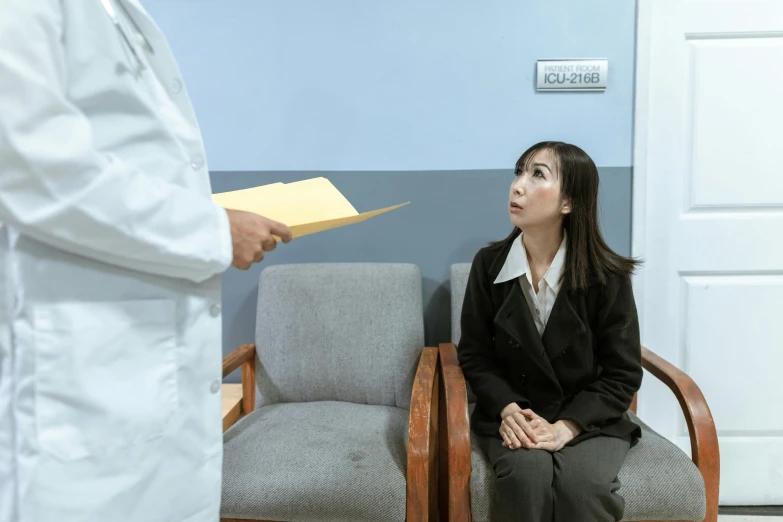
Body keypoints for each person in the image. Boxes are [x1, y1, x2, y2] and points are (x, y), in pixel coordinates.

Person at [0, 1, 292, 521]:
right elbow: (30, 167)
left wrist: (210, 225)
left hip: (137, 355)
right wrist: (212, 229)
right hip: (84, 371)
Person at [457, 141, 643, 522]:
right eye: (519, 172)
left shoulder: (607, 277)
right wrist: (508, 407)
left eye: (537, 174)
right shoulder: (488, 265)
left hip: (589, 419)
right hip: (516, 414)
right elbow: (475, 354)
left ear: (568, 203)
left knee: (584, 485)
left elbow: (623, 373)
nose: (518, 186)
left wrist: (566, 427)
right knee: (524, 476)